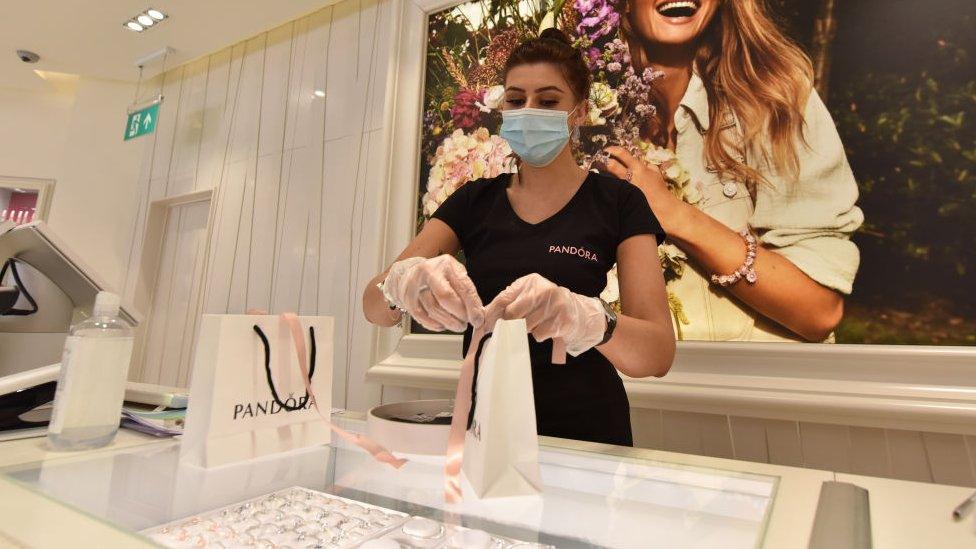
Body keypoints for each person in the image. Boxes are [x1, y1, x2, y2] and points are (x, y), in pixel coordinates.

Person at [363, 28, 676, 447]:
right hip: (487, 435)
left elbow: (656, 355)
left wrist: (586, 318)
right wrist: (402, 283)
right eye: (515, 100)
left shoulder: (618, 201)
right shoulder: (474, 201)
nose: (528, 111)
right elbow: (374, 307)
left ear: (579, 112)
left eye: (547, 101)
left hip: (589, 438)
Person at [601, 0, 864, 342]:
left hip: (749, 387)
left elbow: (819, 310)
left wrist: (673, 214)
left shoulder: (775, 96)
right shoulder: (578, 112)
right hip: (622, 387)